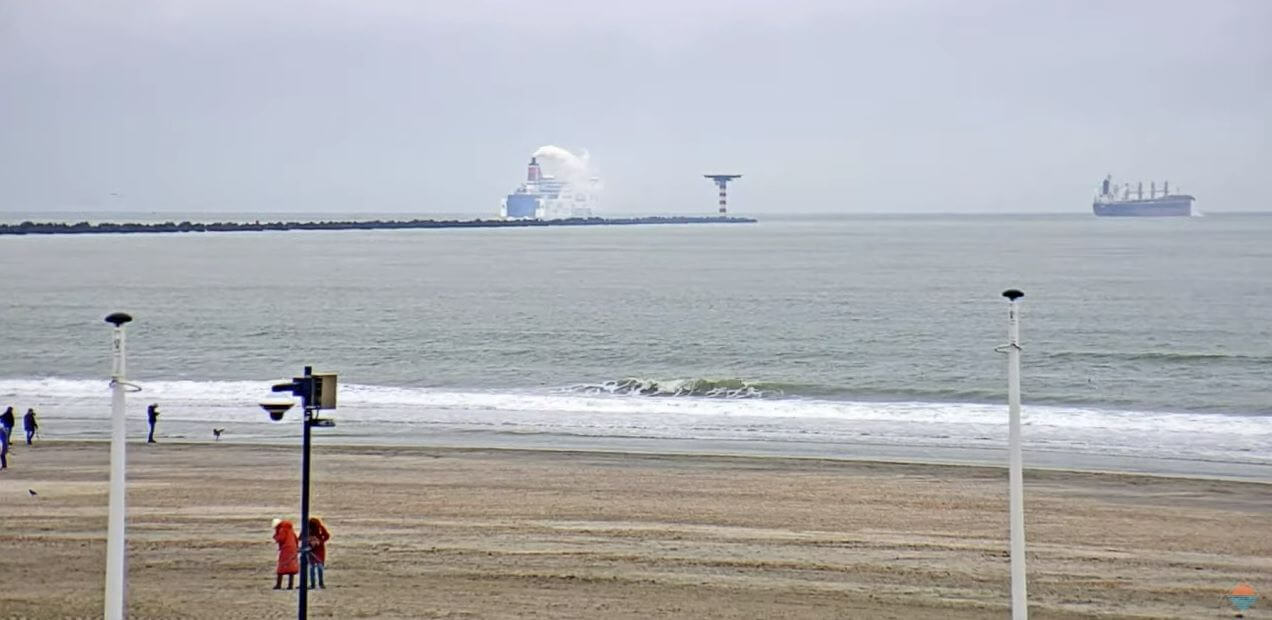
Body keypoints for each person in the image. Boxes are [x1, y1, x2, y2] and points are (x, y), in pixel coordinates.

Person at [272, 519, 299, 590]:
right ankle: (290, 585)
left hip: (286, 549)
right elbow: (296, 539)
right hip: (293, 548)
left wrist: (275, 537)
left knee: (281, 566)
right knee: (291, 567)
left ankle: (278, 585)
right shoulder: (290, 529)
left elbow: (281, 539)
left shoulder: (282, 529)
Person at [307, 517, 330, 589]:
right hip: (313, 550)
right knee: (314, 567)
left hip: (316, 550)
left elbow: (327, 536)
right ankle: (318, 584)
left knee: (314, 567)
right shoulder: (311, 528)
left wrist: (319, 541)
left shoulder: (318, 528)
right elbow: (327, 536)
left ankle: (317, 583)